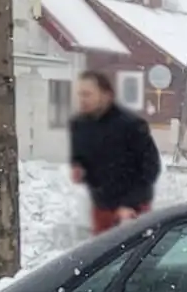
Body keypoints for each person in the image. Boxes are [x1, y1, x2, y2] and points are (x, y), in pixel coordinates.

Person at [69, 70, 161, 236]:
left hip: (133, 210)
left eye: (87, 94)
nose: (82, 100)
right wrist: (78, 167)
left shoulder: (131, 125)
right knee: (103, 258)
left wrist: (130, 204)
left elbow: (150, 168)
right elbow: (80, 157)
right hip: (101, 208)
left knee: (133, 257)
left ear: (106, 95)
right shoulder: (79, 125)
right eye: (80, 94)